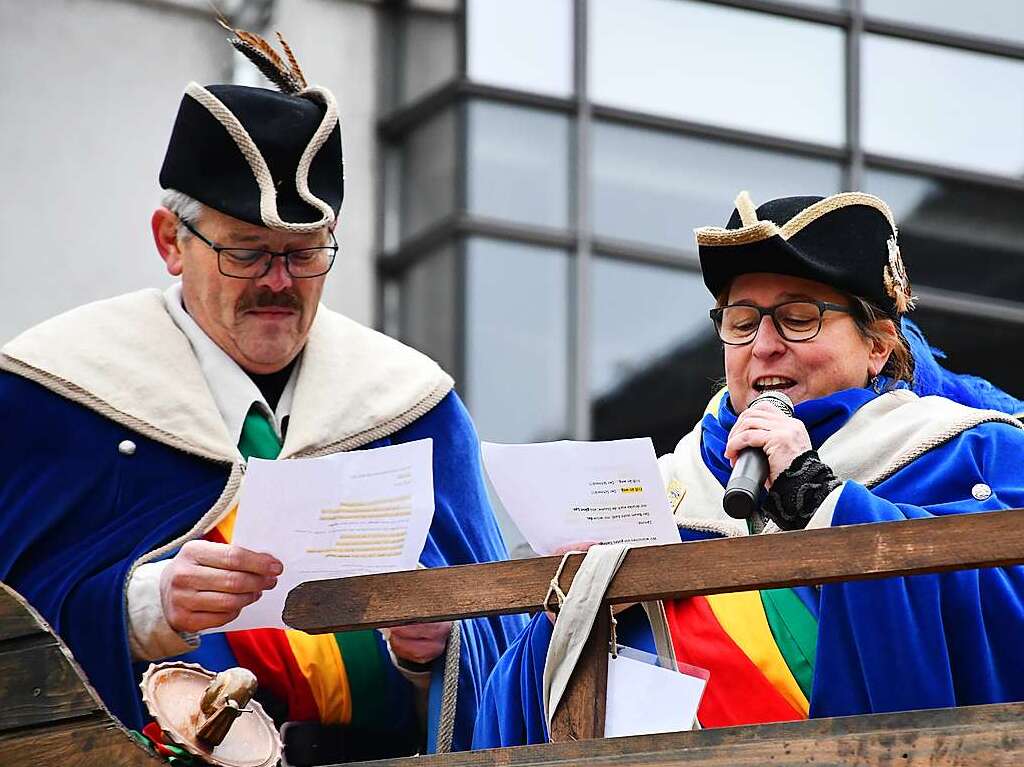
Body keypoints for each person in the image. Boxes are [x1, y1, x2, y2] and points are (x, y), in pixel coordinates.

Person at [0, 25, 523, 764]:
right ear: (168, 240)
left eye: (305, 253)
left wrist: (438, 641)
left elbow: (514, 649)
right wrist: (141, 605)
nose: (279, 282)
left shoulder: (413, 407)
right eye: (246, 251)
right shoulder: (50, 393)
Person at [473, 190, 1024, 747]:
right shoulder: (662, 494)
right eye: (741, 322)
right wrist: (573, 614)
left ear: (878, 345)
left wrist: (820, 500)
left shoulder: (978, 454)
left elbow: (1004, 627)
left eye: (798, 318)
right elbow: (516, 719)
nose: (763, 346)